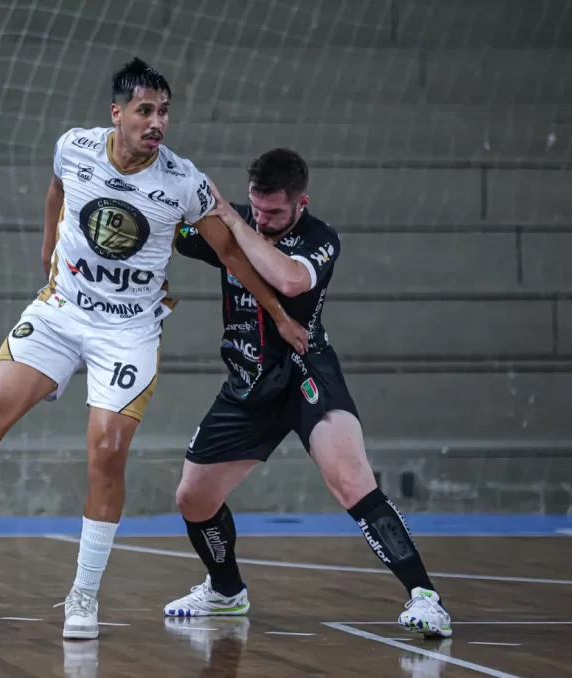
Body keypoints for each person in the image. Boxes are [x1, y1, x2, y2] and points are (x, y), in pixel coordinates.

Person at [0, 58, 309, 641]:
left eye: (164, 112)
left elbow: (233, 256)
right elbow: (57, 190)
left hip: (127, 333)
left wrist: (280, 314)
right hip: (60, 313)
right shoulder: (74, 147)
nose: (157, 122)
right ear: (118, 113)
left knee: (106, 451)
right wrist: (46, 249)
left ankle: (83, 596)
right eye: (145, 111)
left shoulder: (182, 181)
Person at [163, 148, 452, 638]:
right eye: (256, 206)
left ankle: (426, 598)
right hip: (247, 383)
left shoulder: (319, 239)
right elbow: (173, 232)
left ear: (301, 202)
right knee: (193, 498)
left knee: (351, 479)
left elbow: (290, 279)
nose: (263, 217)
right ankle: (226, 591)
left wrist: (233, 219)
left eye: (275, 211)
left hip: (304, 371)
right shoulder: (233, 225)